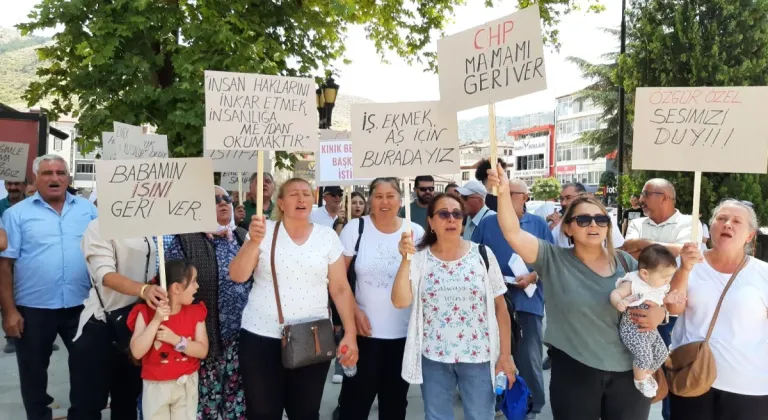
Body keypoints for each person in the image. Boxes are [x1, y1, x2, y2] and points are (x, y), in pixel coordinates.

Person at [487, 165, 666, 420]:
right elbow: (512, 233)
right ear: (568, 228)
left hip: (630, 373)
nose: (593, 225)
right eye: (583, 220)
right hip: (574, 372)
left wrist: (660, 313)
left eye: (601, 219)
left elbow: (660, 298)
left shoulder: (628, 263)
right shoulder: (552, 259)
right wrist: (503, 193)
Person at [229, 177, 359, 420]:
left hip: (312, 338)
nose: (301, 198)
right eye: (293, 194)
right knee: (262, 412)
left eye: (306, 194)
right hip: (261, 337)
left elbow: (340, 289)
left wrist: (350, 333)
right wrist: (253, 243)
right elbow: (238, 275)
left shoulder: (327, 237)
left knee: (305, 412)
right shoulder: (262, 232)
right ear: (280, 203)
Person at [392, 192, 516, 420]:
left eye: (457, 214)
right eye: (443, 214)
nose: (451, 219)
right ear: (430, 222)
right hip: (434, 358)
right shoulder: (419, 259)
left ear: (463, 220)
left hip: (478, 356)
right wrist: (405, 260)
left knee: (480, 416)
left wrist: (505, 356)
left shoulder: (482, 255)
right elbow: (400, 301)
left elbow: (501, 308)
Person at [0, 155, 97, 420]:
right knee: (32, 373)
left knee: (86, 370)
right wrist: (9, 312)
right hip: (33, 308)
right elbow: (5, 265)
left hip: (82, 305)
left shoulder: (88, 211)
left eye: (60, 172)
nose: (54, 178)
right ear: (35, 178)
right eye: (46, 173)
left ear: (68, 177)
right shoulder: (15, 215)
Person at [667, 199, 768, 420]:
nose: (727, 224)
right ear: (710, 227)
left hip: (748, 387)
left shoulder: (763, 273)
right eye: (721, 219)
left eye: (736, 221)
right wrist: (684, 269)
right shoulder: (688, 264)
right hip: (692, 378)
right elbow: (674, 307)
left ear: (750, 236)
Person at [338, 177, 425, 420]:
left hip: (403, 336)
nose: (384, 202)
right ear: (370, 200)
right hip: (364, 336)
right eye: (378, 196)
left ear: (400, 200)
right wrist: (353, 312)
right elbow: (337, 279)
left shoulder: (415, 232)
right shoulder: (356, 229)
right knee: (354, 404)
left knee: (395, 405)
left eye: (390, 196)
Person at [163, 186, 250, 420]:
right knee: (205, 405)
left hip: (241, 339)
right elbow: (173, 285)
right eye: (215, 200)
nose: (224, 202)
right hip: (203, 340)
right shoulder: (186, 240)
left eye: (227, 198)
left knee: (237, 404)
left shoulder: (242, 236)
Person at [68, 218, 164, 420]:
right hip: (101, 326)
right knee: (88, 405)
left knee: (127, 402)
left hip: (135, 326)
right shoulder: (98, 227)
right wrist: (144, 290)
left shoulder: (148, 224)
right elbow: (105, 275)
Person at [472, 179, 551, 419]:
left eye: (509, 194)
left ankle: (532, 405)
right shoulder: (487, 223)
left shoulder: (537, 224)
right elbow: (473, 254)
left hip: (528, 300)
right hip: (495, 302)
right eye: (500, 194)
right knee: (496, 354)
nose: (502, 199)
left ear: (525, 197)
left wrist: (533, 276)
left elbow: (551, 261)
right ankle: (498, 401)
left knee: (528, 356)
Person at [622, 178, 698, 420]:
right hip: (636, 310)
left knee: (671, 377)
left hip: (673, 313)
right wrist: (671, 249)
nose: (641, 199)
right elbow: (627, 248)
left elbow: (687, 252)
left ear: (664, 197)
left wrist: (644, 245)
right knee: (639, 374)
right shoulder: (636, 222)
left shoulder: (690, 223)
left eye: (646, 194)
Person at [128, 261, 209, 420]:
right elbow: (137, 352)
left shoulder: (196, 312)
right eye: (193, 281)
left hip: (186, 384)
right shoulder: (145, 312)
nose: (197, 286)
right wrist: (156, 320)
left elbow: (202, 350)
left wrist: (177, 340)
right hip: (156, 387)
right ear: (176, 288)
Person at [610, 245, 683, 398]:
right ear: (644, 273)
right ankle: (639, 380)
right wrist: (619, 302)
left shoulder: (659, 285)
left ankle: (646, 374)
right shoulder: (633, 283)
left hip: (650, 329)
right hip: (633, 327)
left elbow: (660, 300)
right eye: (665, 277)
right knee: (645, 356)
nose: (668, 281)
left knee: (662, 353)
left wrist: (668, 299)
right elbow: (616, 293)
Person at [550, 183, 625, 248]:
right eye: (561, 199)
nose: (563, 203)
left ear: (582, 196)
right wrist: (550, 228)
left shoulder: (605, 219)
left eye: (568, 198)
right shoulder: (558, 225)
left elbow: (618, 247)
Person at [1, 179, 24, 354]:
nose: (13, 188)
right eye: (9, 184)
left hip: (25, 260)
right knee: (7, 296)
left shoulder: (31, 204)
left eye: (16, 184)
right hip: (6, 258)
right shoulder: (1, 206)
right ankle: (11, 336)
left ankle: (30, 334)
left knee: (25, 299)